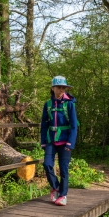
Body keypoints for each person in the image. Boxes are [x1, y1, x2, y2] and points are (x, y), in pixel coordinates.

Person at [40, 76, 78, 206]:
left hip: (65, 140)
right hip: (51, 139)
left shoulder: (69, 104)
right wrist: (43, 141)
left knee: (64, 169)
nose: (61, 89)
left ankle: (63, 195)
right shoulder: (48, 104)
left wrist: (70, 143)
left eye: (64, 87)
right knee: (47, 164)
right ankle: (55, 187)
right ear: (53, 88)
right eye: (59, 87)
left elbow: (74, 125)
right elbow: (44, 124)